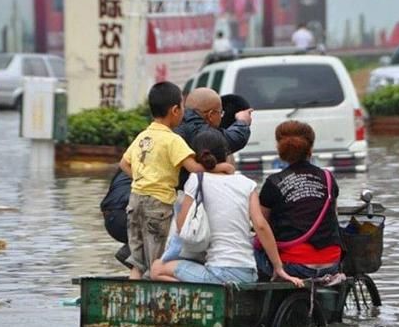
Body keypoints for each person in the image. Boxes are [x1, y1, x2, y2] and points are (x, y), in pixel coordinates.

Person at [101, 89, 253, 267]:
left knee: (177, 221)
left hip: (118, 210)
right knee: (191, 230)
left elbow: (123, 163)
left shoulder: (155, 132)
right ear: (211, 115)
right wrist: (242, 123)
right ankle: (153, 267)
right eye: (220, 114)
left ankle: (136, 257)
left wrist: (145, 180)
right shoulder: (187, 133)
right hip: (137, 210)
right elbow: (225, 144)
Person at [151, 130, 304, 287]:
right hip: (248, 272)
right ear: (226, 155)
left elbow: (183, 227)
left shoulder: (196, 180)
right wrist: (278, 267)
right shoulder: (246, 183)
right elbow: (261, 225)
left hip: (219, 273)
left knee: (157, 269)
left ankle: (199, 303)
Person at [255, 121, 342, 279]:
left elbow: (261, 224)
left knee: (253, 248)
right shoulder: (328, 178)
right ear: (310, 148)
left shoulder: (273, 183)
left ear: (279, 148)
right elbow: (333, 217)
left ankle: (265, 302)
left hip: (295, 266)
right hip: (332, 263)